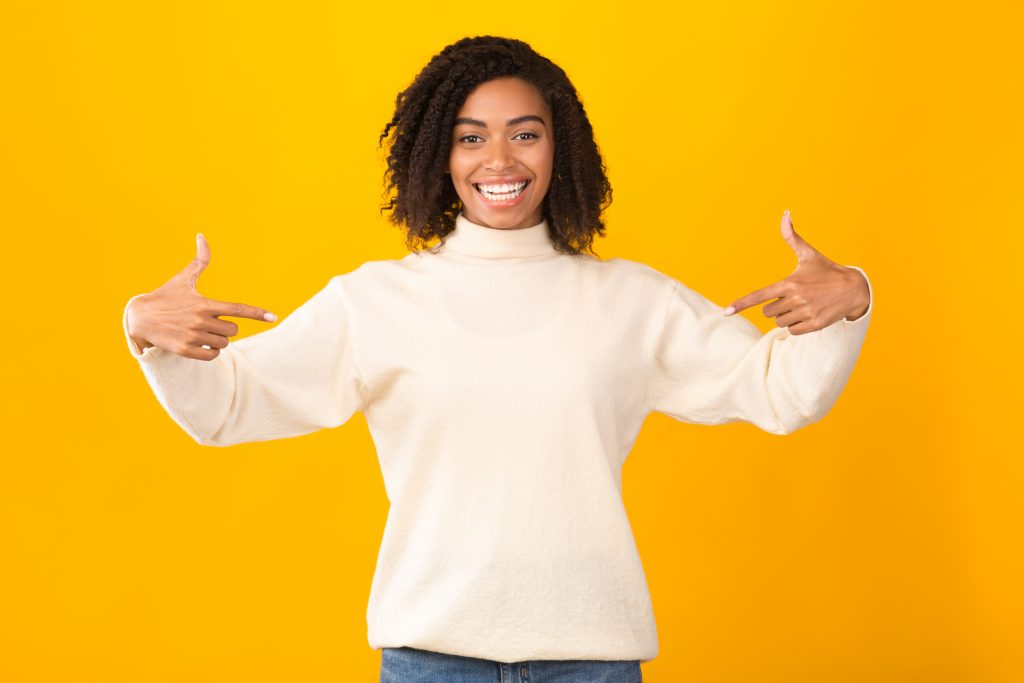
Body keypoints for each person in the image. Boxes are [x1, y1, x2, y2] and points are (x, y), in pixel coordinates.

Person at [123, 36, 872, 683]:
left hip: (593, 659)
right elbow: (227, 406)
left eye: (526, 133)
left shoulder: (631, 301)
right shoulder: (376, 300)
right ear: (438, 153)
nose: (500, 158)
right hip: (430, 658)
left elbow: (781, 394)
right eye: (470, 136)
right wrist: (147, 330)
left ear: (560, 146)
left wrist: (850, 299)